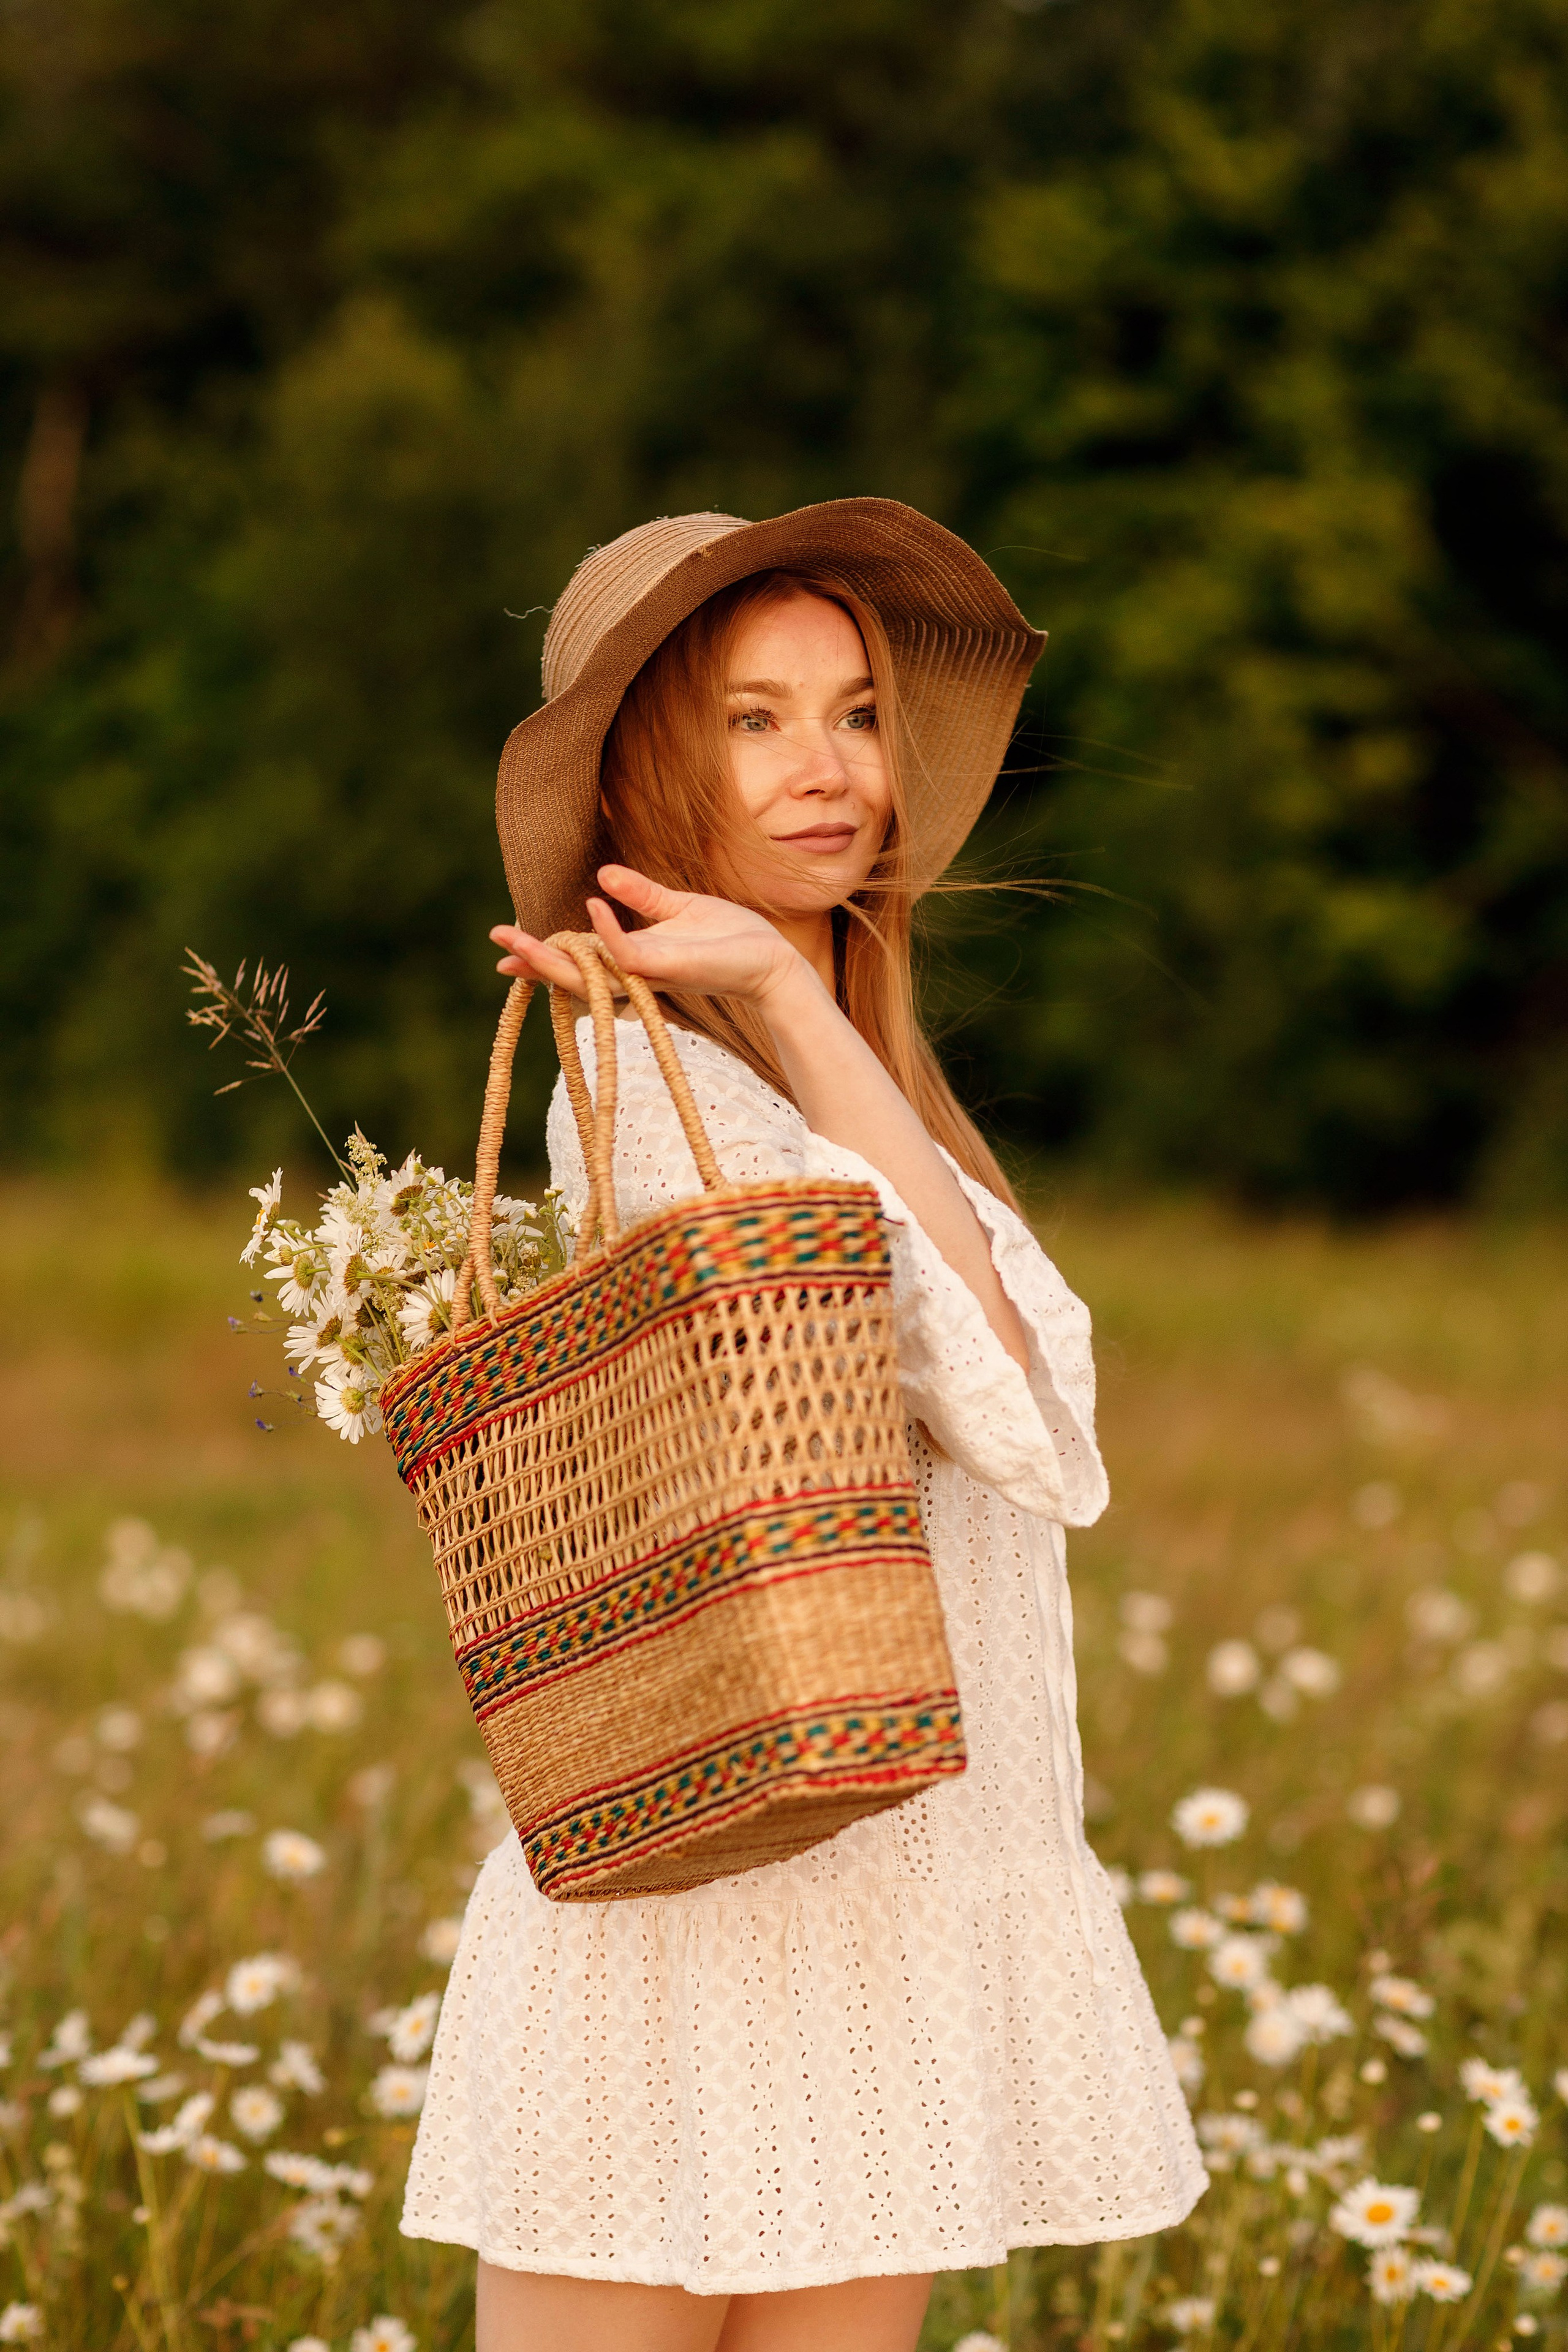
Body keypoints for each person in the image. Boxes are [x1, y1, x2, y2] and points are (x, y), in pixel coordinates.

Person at [400, 502, 1205, 2351]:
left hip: (886, 1891)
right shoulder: (647, 1081)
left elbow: (1035, 1417)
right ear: (652, 770)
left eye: (851, 712)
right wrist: (772, 995)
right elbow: (1017, 1413)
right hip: (711, 1885)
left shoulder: (843, 1075)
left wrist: (806, 1010)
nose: (828, 770)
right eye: (755, 720)